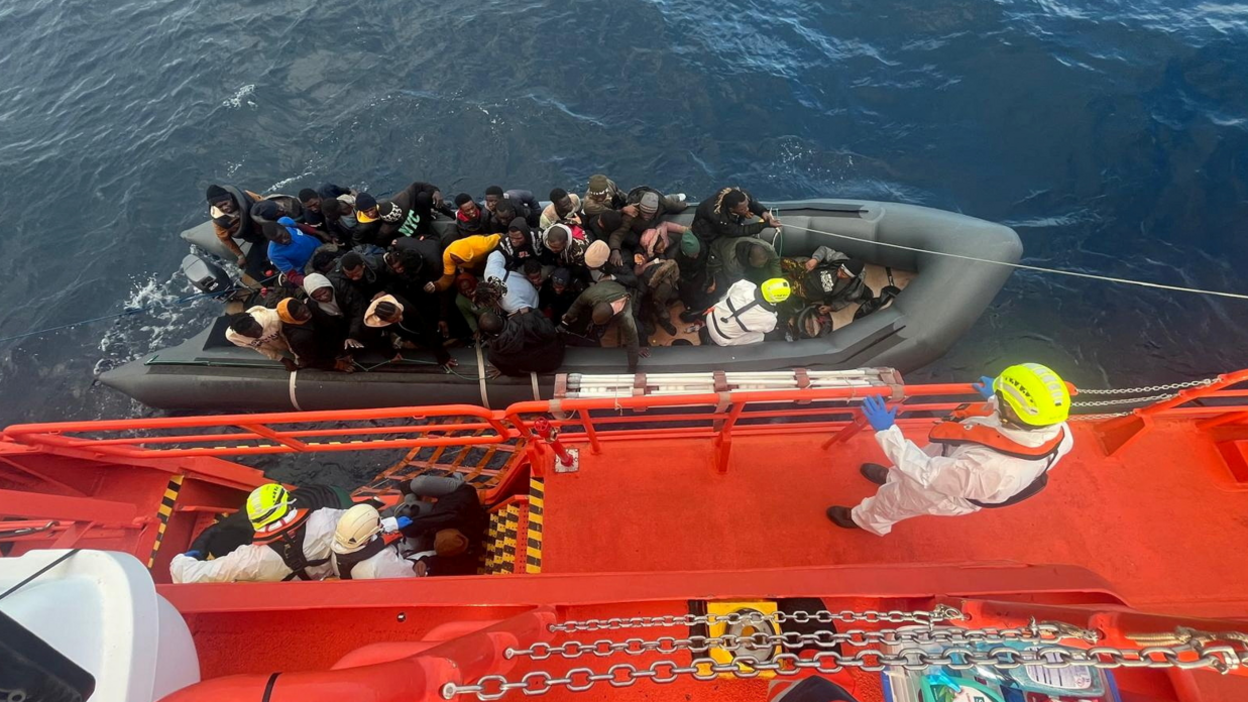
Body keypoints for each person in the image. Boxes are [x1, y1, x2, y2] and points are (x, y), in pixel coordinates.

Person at [826, 364, 1075, 535]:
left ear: (1010, 409)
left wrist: (887, 431)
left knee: (894, 501)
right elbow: (1007, 419)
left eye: (1000, 397)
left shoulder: (990, 469)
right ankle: (893, 476)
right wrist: (994, 398)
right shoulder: (1056, 430)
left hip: (943, 491)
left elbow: (927, 474)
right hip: (956, 457)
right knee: (910, 468)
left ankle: (866, 520)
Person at [170, 483, 354, 583]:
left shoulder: (249, 559)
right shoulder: (326, 519)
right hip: (333, 569)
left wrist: (193, 555)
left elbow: (185, 574)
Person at [395, 475, 489, 576]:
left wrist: (425, 561)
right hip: (455, 491)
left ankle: (410, 496)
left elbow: (440, 562)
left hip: (437, 509)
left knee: (408, 511)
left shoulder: (454, 550)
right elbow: (429, 521)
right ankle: (456, 479)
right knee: (417, 484)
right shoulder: (462, 506)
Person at [561, 280, 648, 371]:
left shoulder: (626, 317)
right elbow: (577, 304)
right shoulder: (590, 294)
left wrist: (632, 367)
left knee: (636, 328)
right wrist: (565, 321)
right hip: (604, 286)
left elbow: (632, 340)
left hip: (620, 289)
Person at [362, 294, 456, 368]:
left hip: (415, 319)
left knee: (425, 338)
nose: (400, 317)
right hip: (395, 329)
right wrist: (390, 354)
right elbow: (377, 339)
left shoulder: (406, 308)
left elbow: (427, 330)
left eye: (399, 313)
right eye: (395, 318)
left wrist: (443, 357)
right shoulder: (372, 325)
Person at [330, 504, 419, 580]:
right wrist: (424, 560)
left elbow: (367, 532)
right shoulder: (381, 559)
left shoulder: (337, 551)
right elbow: (410, 575)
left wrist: (394, 523)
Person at [704, 278, 791, 346]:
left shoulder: (745, 285)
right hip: (721, 338)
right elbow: (768, 330)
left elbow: (728, 294)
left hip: (710, 315)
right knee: (761, 336)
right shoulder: (769, 319)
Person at [480, 308, 565, 377]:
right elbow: (551, 331)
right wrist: (531, 310)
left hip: (541, 368)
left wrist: (502, 369)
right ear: (501, 317)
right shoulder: (528, 320)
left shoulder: (493, 355)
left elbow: (512, 373)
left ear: (487, 334)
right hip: (556, 354)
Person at [207, 184, 267, 278]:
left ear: (230, 198)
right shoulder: (219, 221)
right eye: (220, 207)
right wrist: (240, 256)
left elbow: (266, 204)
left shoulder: (247, 196)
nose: (225, 208)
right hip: (255, 239)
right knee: (252, 271)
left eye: (225, 203)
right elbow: (225, 239)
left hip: (269, 228)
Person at [782, 248, 870, 311]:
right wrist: (815, 259)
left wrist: (831, 307)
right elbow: (824, 249)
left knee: (783, 286)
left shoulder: (854, 288)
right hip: (810, 270)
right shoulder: (840, 259)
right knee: (783, 263)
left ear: (851, 277)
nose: (839, 273)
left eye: (844, 275)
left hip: (809, 290)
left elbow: (845, 301)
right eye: (840, 269)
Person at [277, 298, 350, 372]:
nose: (306, 315)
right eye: (300, 316)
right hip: (320, 354)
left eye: (304, 310)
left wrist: (345, 350)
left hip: (331, 340)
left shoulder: (312, 306)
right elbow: (313, 359)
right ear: (292, 319)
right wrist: (336, 364)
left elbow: (332, 326)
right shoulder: (299, 337)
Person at [690, 186, 781, 244]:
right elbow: (740, 231)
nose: (747, 209)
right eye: (742, 209)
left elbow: (751, 203)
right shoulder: (720, 219)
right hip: (707, 230)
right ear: (731, 209)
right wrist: (765, 225)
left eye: (746, 205)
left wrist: (763, 212)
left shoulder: (741, 196)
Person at [226, 307, 294, 369]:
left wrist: (297, 355)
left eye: (257, 330)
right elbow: (257, 347)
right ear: (241, 334)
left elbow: (288, 337)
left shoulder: (274, 318)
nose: (258, 334)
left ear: (256, 321)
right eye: (251, 334)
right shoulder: (233, 337)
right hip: (283, 351)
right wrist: (281, 359)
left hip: (294, 345)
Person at [264, 217, 324, 286]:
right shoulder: (274, 254)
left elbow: (300, 226)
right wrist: (309, 281)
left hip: (320, 247)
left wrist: (318, 232)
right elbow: (292, 275)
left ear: (284, 227)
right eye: (278, 241)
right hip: (310, 266)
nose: (284, 241)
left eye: (283, 236)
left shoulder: (285, 222)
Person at [434, 234, 501, 291]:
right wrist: (436, 286)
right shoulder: (447, 256)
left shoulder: (483, 245)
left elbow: (500, 237)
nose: (455, 261)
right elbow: (448, 278)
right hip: (474, 267)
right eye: (453, 257)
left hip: (488, 256)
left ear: (467, 257)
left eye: (458, 260)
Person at [709, 236, 781, 289]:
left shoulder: (768, 248)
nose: (762, 266)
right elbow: (737, 283)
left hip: (738, 244)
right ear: (750, 259)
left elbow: (775, 261)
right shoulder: (733, 264)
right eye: (760, 265)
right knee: (721, 286)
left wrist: (778, 279)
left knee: (765, 274)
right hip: (717, 253)